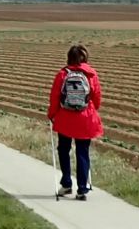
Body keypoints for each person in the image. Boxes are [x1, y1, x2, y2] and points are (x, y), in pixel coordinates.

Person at [48, 45, 105, 200]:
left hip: (66, 119)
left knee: (63, 149)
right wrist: (92, 110)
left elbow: (54, 97)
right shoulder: (91, 74)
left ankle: (66, 183)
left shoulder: (62, 74)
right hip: (85, 119)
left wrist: (51, 114)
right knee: (82, 152)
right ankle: (82, 189)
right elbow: (97, 97)